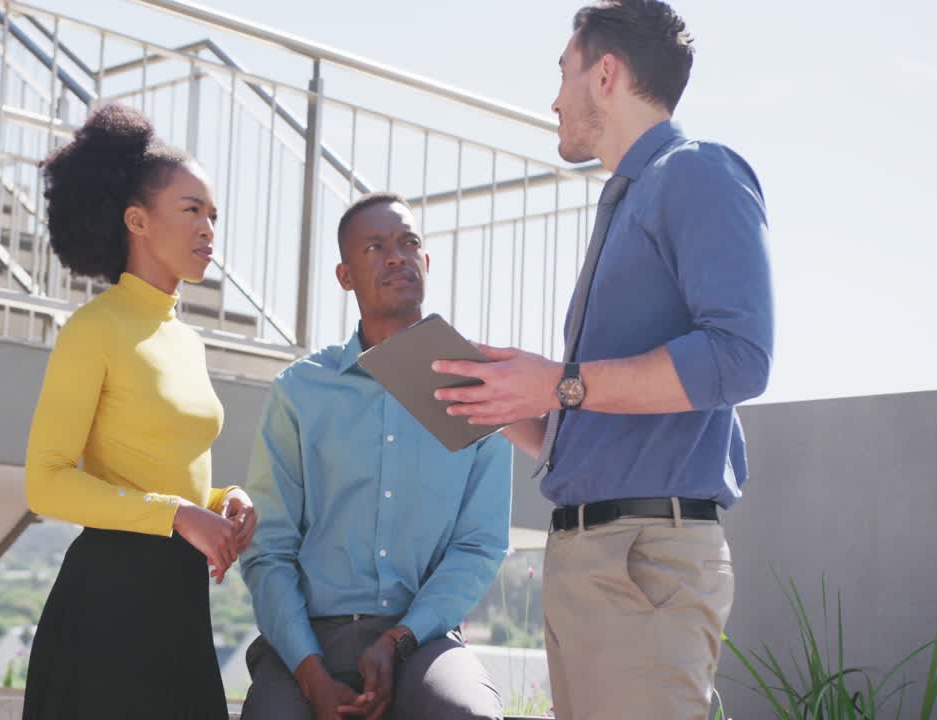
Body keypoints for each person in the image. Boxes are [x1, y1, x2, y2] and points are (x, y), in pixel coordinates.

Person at [433, 1, 775, 717]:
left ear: (607, 75)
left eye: (564, 73)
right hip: (593, 562)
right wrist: (501, 402)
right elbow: (595, 414)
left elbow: (741, 357)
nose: (554, 98)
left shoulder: (699, 173)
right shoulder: (627, 201)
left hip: (642, 565)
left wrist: (558, 382)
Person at [21, 103, 255, 720]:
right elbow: (45, 483)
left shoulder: (189, 340)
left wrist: (223, 501)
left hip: (180, 606)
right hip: (106, 607)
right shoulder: (92, 329)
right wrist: (177, 515)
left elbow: (170, 469)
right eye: (191, 210)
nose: (208, 228)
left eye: (213, 215)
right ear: (137, 220)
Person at [240, 193, 511, 720]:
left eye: (409, 242)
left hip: (422, 641)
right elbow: (269, 550)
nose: (396, 256)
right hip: (308, 643)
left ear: (426, 263)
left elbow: (478, 546)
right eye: (375, 246)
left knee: (469, 715)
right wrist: (311, 674)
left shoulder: (473, 387)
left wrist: (398, 639)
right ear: (345, 276)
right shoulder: (300, 392)